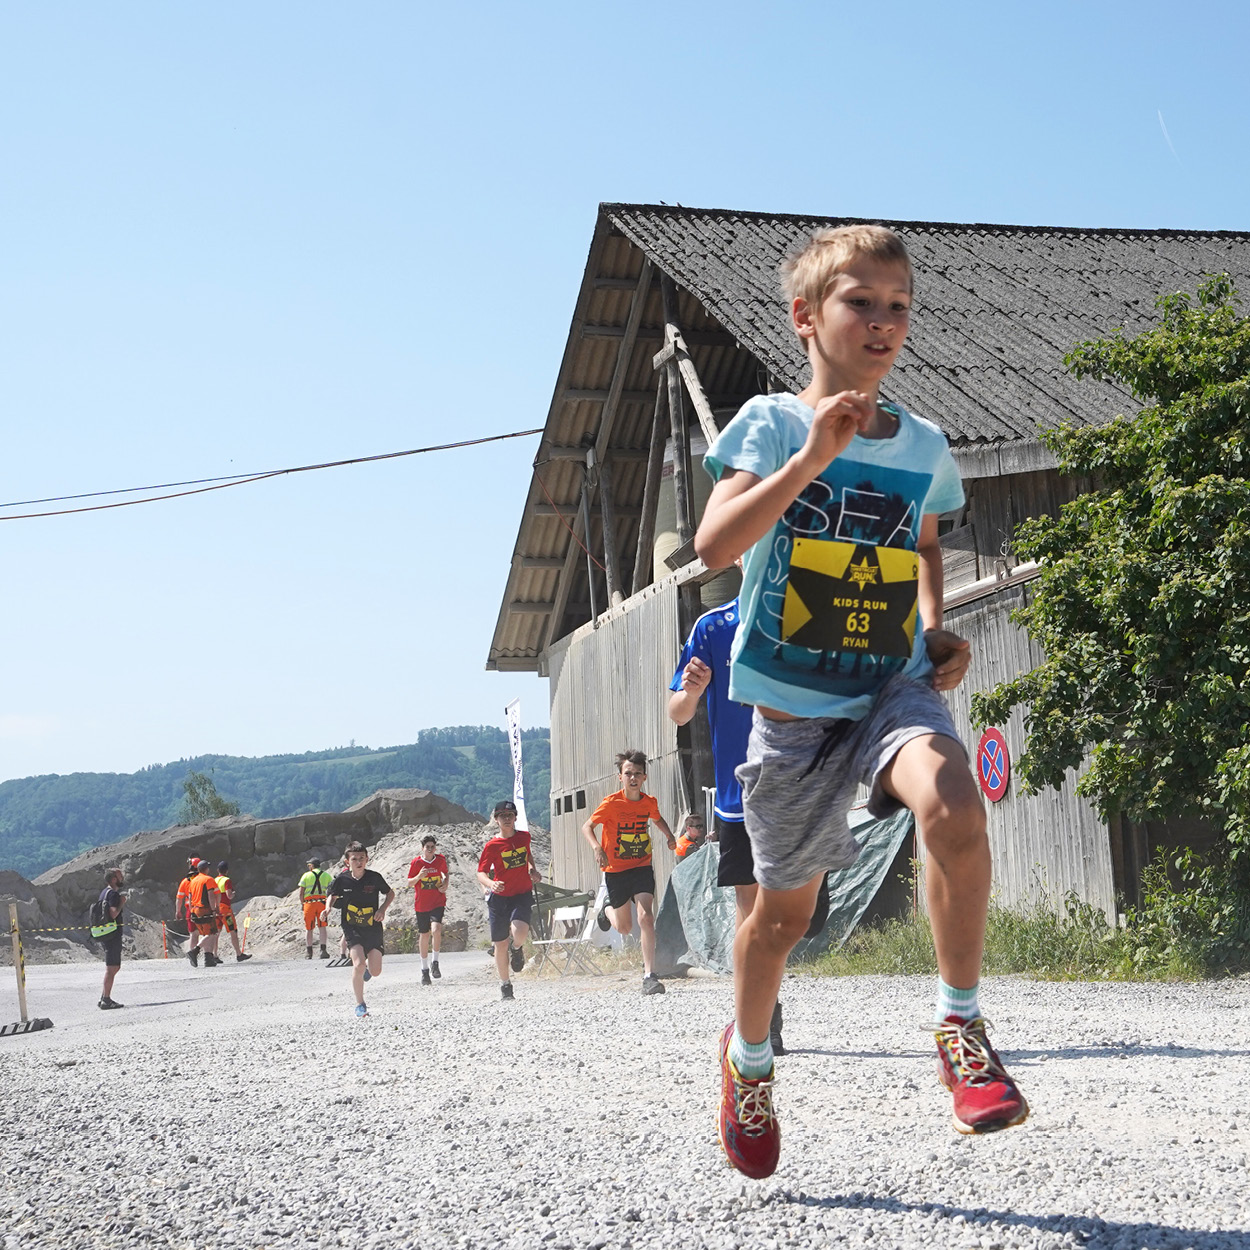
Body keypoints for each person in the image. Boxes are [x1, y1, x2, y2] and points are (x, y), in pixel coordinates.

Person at [695, 224, 1028, 1179]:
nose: (883, 321)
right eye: (861, 302)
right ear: (806, 318)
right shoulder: (768, 423)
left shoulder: (924, 445)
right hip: (795, 709)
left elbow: (922, 544)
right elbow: (714, 547)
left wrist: (934, 629)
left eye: (899, 306)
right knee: (783, 922)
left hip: (890, 684)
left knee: (955, 805)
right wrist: (809, 459)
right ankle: (749, 1062)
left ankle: (961, 1029)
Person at [668, 590, 830, 1055]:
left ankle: (762, 996)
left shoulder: (810, 611)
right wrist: (692, 692)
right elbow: (677, 713)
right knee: (750, 904)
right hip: (739, 794)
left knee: (805, 920)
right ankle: (760, 1019)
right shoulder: (713, 627)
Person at [579, 751, 676, 996]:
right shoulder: (611, 803)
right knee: (624, 927)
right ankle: (607, 910)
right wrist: (597, 847)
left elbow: (657, 818)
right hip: (616, 870)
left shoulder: (648, 802)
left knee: (646, 917)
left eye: (637, 774)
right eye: (628, 773)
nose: (633, 778)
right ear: (620, 777)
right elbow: (587, 826)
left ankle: (649, 975)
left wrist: (669, 835)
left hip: (641, 865)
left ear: (644, 777)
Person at [476, 800, 541, 1001]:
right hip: (499, 899)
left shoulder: (524, 837)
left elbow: (528, 856)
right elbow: (480, 872)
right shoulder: (492, 846)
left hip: (521, 893)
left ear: (515, 818)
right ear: (496, 820)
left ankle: (517, 948)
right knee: (500, 944)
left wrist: (532, 870)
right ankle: (505, 985)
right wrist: (491, 884)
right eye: (502, 816)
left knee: (519, 932)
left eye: (510, 815)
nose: (506, 819)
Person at [325, 842, 394, 1019]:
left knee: (376, 971)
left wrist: (382, 910)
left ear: (367, 859)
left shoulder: (374, 878)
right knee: (358, 964)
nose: (359, 862)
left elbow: (390, 893)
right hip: (351, 927)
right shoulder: (342, 880)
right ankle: (360, 1004)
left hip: (372, 926)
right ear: (347, 862)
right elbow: (332, 895)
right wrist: (328, 908)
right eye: (354, 859)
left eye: (362, 858)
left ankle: (367, 970)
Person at [408, 835, 449, 985]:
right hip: (422, 904)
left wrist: (445, 883)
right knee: (424, 934)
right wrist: (419, 876)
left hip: (437, 901)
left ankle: (435, 962)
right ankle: (424, 969)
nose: (430, 849)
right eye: (427, 847)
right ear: (422, 848)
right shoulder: (416, 862)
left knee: (436, 929)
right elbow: (409, 882)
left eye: (432, 847)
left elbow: (446, 874)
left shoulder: (440, 860)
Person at [95, 866, 126, 1009]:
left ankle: (104, 996)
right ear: (114, 879)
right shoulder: (113, 894)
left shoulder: (104, 892)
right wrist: (121, 903)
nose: (122, 878)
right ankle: (106, 999)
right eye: (120, 876)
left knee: (114, 966)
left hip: (105, 933)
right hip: (112, 934)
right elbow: (113, 913)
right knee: (112, 967)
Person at [187, 860, 223, 967]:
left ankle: (208, 958)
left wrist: (191, 910)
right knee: (212, 933)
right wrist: (214, 909)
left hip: (195, 910)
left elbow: (190, 897)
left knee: (206, 934)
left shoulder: (193, 881)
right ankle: (195, 951)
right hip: (205, 909)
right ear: (206, 869)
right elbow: (211, 895)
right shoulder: (208, 880)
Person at [214, 861, 252, 963]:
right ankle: (239, 954)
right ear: (226, 871)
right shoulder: (226, 880)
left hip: (216, 909)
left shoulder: (214, 880)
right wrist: (234, 893)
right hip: (225, 910)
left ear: (218, 870)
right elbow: (229, 895)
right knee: (233, 931)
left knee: (216, 933)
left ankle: (214, 955)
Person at [298, 858, 333, 960]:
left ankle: (309, 953)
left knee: (309, 928)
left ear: (312, 866)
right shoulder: (326, 875)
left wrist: (302, 904)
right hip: (322, 903)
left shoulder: (306, 875)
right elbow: (331, 890)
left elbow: (301, 892)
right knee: (322, 926)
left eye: (309, 865)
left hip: (309, 903)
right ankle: (323, 950)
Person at [175, 856, 201, 966]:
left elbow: (179, 898)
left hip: (189, 910)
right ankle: (209, 955)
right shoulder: (202, 879)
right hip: (202, 908)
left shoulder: (185, 881)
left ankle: (192, 955)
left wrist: (178, 911)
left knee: (193, 934)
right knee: (208, 933)